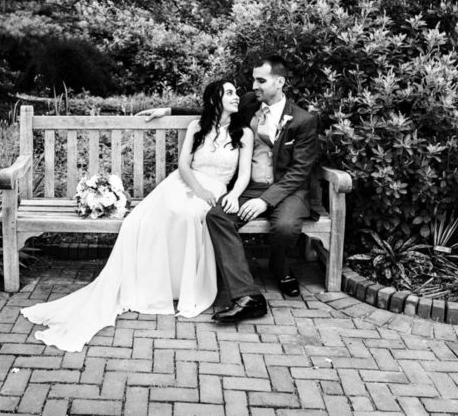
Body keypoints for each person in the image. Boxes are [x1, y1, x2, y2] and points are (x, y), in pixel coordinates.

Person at [20, 80, 254, 352]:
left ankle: (183, 286)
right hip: (185, 183)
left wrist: (234, 194)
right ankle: (155, 281)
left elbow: (245, 174)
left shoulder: (244, 133)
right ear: (215, 99)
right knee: (144, 219)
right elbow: (183, 165)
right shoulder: (197, 127)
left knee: (191, 215)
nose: (236, 97)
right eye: (229, 93)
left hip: (218, 188)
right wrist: (198, 189)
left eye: (236, 92)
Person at [137, 55, 321, 323]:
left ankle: (280, 267)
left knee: (284, 227)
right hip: (251, 186)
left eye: (261, 80)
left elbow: (299, 172)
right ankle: (248, 296)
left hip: (288, 190)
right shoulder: (249, 103)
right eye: (254, 79)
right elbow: (213, 107)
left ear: (279, 82)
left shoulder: (303, 120)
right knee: (217, 217)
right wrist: (168, 111)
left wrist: (265, 201)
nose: (254, 85)